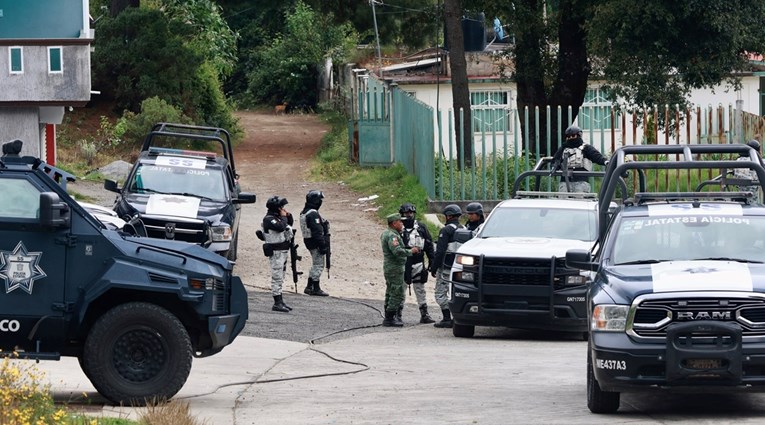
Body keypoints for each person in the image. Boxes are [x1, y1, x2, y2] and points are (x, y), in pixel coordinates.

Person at [398, 203, 436, 324]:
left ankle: (424, 314)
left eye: (411, 213)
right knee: (401, 288)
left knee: (420, 288)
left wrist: (432, 261)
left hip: (418, 261)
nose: (409, 215)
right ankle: (397, 314)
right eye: (406, 213)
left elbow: (429, 245)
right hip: (403, 263)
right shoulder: (398, 228)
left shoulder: (421, 227)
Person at [381, 213, 420, 327]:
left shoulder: (387, 233)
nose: (402, 224)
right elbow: (397, 251)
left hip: (390, 267)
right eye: (400, 222)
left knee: (390, 291)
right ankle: (390, 317)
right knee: (397, 292)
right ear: (394, 223)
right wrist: (410, 252)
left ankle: (389, 315)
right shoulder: (392, 235)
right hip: (395, 267)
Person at [429, 204, 464, 328]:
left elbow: (440, 252)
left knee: (440, 293)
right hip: (460, 268)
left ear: (448, 216)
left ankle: (447, 318)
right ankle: (458, 317)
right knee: (456, 292)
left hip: (446, 267)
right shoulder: (464, 229)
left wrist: (433, 267)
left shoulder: (446, 230)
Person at [551, 125, 608, 193]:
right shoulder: (563, 149)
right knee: (563, 200)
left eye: (573, 136)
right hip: (565, 181)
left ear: (579, 135)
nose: (570, 138)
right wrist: (555, 166)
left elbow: (596, 156)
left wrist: (606, 162)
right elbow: (555, 160)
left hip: (581, 181)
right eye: (568, 136)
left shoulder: (586, 148)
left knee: (580, 198)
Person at [262, 196, 294, 313]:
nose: (282, 209)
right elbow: (281, 227)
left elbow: (289, 224)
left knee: (281, 276)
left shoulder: (278, 217)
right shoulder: (269, 219)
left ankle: (280, 300)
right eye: (281, 207)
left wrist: (288, 215)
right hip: (276, 252)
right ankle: (277, 302)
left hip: (283, 251)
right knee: (277, 276)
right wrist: (284, 217)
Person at [299, 190, 330, 296]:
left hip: (309, 241)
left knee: (315, 264)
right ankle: (315, 288)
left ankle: (310, 286)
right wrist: (323, 246)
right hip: (315, 242)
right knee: (318, 265)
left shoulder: (304, 212)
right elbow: (317, 232)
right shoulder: (312, 214)